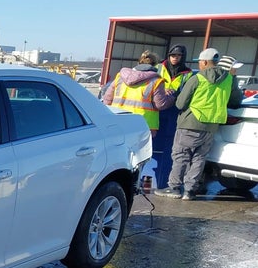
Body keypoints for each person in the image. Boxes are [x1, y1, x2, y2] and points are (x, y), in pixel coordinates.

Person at [155, 48, 243, 200]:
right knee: (199, 158)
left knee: (181, 156)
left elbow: (181, 103)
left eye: (200, 62)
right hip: (211, 126)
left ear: (205, 62)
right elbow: (235, 101)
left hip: (190, 122)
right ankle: (190, 191)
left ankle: (174, 188)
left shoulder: (197, 78)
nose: (200, 65)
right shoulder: (228, 79)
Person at [101, 50, 175, 137]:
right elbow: (161, 104)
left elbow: (107, 100)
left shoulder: (120, 77)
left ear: (139, 62)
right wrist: (171, 97)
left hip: (118, 122)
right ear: (156, 65)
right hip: (143, 125)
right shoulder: (156, 81)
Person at [151, 44, 194, 188]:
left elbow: (187, 93)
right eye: (172, 55)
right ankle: (150, 180)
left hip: (174, 111)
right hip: (157, 110)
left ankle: (163, 182)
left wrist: (175, 94)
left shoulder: (188, 74)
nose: (175, 58)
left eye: (178, 56)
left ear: (183, 57)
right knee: (153, 147)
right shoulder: (158, 68)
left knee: (169, 149)